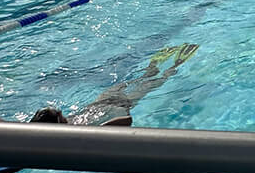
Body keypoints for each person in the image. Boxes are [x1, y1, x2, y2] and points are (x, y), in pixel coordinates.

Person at [30, 43, 200, 128]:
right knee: (153, 82)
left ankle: (156, 67)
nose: (64, 114)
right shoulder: (77, 130)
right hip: (118, 105)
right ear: (59, 122)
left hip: (104, 101)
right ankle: (172, 65)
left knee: (146, 81)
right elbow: (127, 120)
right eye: (61, 115)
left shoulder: (73, 126)